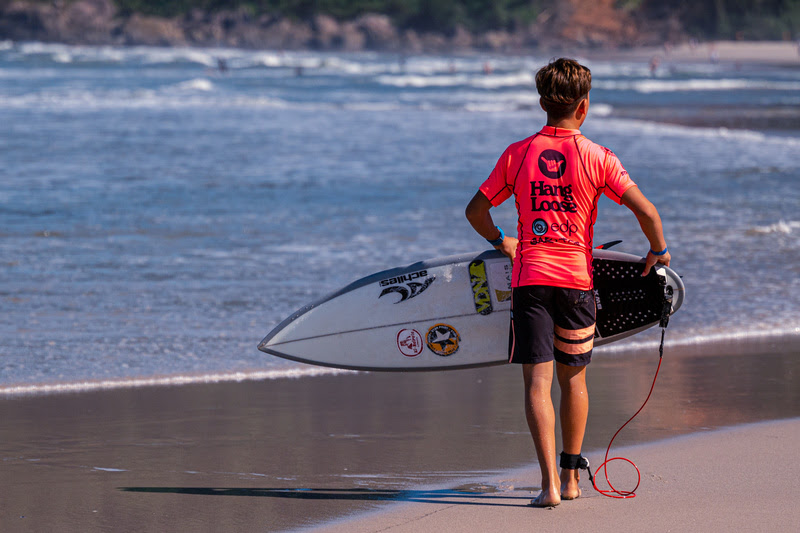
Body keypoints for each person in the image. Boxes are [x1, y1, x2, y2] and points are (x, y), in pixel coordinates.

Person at [465, 58, 671, 508]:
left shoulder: (517, 154)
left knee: (536, 385)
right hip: (577, 282)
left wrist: (502, 240)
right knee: (573, 381)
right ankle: (572, 476)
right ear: (584, 107)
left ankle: (548, 488)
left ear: (542, 104)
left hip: (531, 280)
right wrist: (658, 251)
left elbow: (475, 211)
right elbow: (647, 212)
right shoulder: (598, 156)